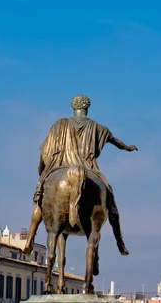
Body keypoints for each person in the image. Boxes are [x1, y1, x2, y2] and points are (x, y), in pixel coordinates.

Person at [24, 95, 138, 256]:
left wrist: (42, 170)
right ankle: (120, 243)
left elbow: (45, 151)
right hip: (90, 169)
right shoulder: (98, 127)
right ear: (87, 108)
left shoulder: (60, 124)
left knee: (39, 203)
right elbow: (115, 141)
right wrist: (127, 148)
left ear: (73, 107)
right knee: (110, 200)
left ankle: (30, 238)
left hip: (59, 166)